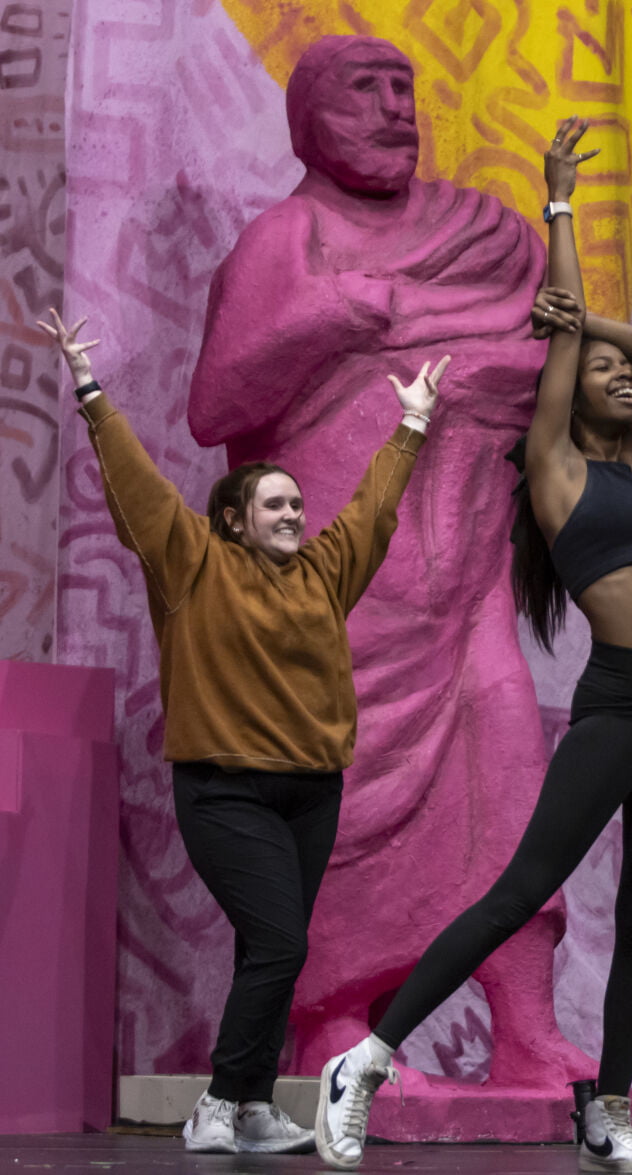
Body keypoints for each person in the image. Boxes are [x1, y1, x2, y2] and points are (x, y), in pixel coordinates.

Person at [314, 116, 632, 1175]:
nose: (625, 381)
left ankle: (608, 1109)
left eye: (622, 380)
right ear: (565, 385)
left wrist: (594, 329)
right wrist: (560, 213)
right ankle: (366, 1057)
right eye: (600, 374)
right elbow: (583, 346)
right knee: (513, 889)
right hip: (624, 696)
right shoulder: (555, 468)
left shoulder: (631, 464)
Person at [186, 34, 586, 1084]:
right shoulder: (287, 240)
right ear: (307, 118)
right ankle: (333, 1029)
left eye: (404, 88)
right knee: (355, 803)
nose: (395, 109)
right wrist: (329, 317)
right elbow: (217, 404)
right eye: (364, 90)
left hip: (466, 574)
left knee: (507, 777)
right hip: (347, 590)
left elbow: (548, 365)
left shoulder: (484, 236)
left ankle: (529, 1031)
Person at [37, 308, 444, 1155]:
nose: (295, 513)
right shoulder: (192, 562)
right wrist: (89, 389)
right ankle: (219, 1105)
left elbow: (370, 511)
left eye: (297, 502)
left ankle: (253, 1104)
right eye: (276, 503)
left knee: (277, 952)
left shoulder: (325, 573)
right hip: (226, 790)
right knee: (281, 940)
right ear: (233, 518)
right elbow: (140, 487)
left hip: (310, 789)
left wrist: (411, 423)